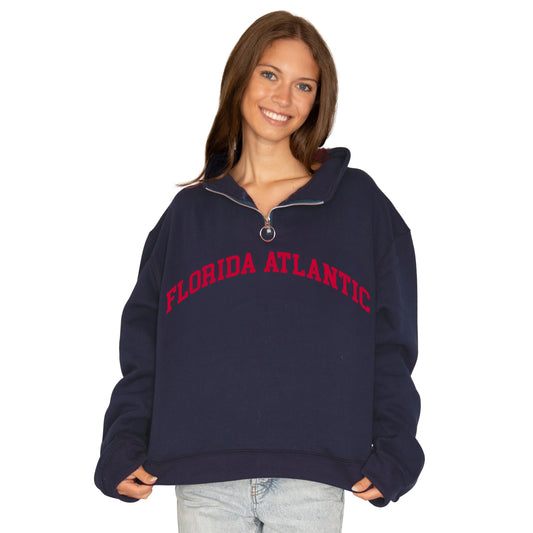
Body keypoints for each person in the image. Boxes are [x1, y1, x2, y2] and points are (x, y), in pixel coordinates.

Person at [95, 10, 424, 532]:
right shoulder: (189, 215)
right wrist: (123, 442)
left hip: (315, 476)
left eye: (303, 85)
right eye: (269, 74)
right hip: (204, 475)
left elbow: (392, 341)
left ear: (318, 100)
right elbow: (144, 344)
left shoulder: (360, 205)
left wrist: (396, 448)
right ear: (241, 78)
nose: (283, 97)